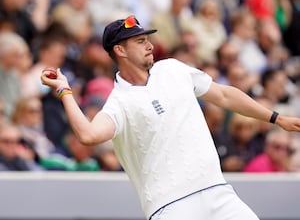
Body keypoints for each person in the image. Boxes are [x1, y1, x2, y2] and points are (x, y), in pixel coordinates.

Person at [41, 15, 300, 220]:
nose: (150, 45)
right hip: (171, 206)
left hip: (217, 191)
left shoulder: (173, 69)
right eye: (140, 41)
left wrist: (276, 118)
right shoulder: (119, 102)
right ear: (119, 50)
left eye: (147, 39)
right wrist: (64, 90)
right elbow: (88, 135)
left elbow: (223, 95)